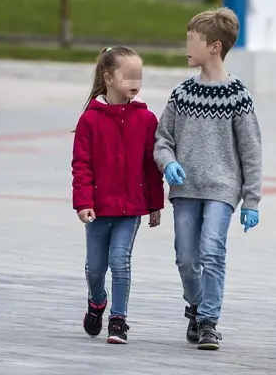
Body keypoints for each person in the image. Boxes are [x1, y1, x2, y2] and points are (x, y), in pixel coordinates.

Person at [152, 8, 262, 351]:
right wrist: (167, 163)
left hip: (222, 189)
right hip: (185, 189)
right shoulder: (182, 93)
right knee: (186, 256)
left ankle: (209, 322)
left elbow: (251, 149)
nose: (187, 46)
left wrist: (252, 200)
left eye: (192, 40)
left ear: (214, 47)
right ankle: (196, 307)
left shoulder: (237, 95)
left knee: (212, 251)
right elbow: (162, 138)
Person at [71, 46, 164, 345]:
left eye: (140, 75)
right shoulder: (89, 120)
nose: (136, 81)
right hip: (97, 210)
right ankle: (97, 302)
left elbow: (151, 166)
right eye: (129, 75)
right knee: (95, 268)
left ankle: (119, 319)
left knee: (120, 261)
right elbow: (81, 165)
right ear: (109, 78)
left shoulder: (147, 119)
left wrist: (154, 204)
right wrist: (83, 202)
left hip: (131, 210)